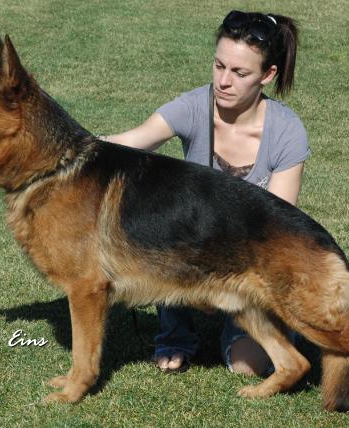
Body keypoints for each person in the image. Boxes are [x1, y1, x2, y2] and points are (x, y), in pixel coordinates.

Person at [102, 10, 309, 376]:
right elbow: (130, 142)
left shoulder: (287, 131)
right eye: (219, 66)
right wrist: (71, 145)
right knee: (165, 225)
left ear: (267, 75)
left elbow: (274, 229)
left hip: (251, 268)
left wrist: (218, 285)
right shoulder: (193, 106)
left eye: (240, 73)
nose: (223, 81)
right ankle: (174, 335)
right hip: (190, 257)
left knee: (247, 366)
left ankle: (270, 328)